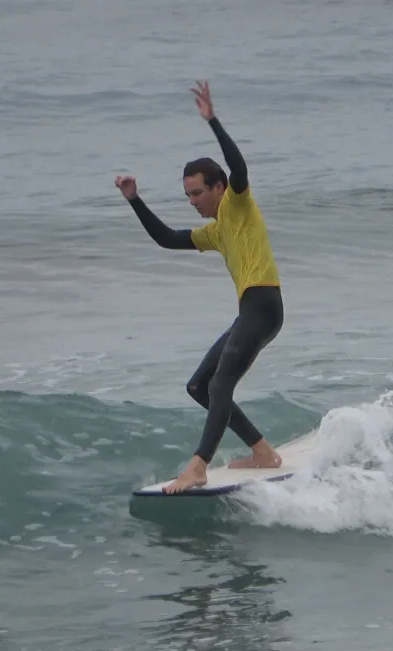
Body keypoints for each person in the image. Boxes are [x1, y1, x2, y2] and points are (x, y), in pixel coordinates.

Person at [114, 80, 285, 494]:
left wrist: (213, 121)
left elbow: (239, 168)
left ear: (218, 188)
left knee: (222, 382)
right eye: (187, 195)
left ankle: (198, 466)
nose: (192, 201)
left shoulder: (238, 204)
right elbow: (168, 239)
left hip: (263, 303)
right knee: (200, 387)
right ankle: (263, 452)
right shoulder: (216, 231)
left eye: (197, 193)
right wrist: (135, 200)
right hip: (252, 309)